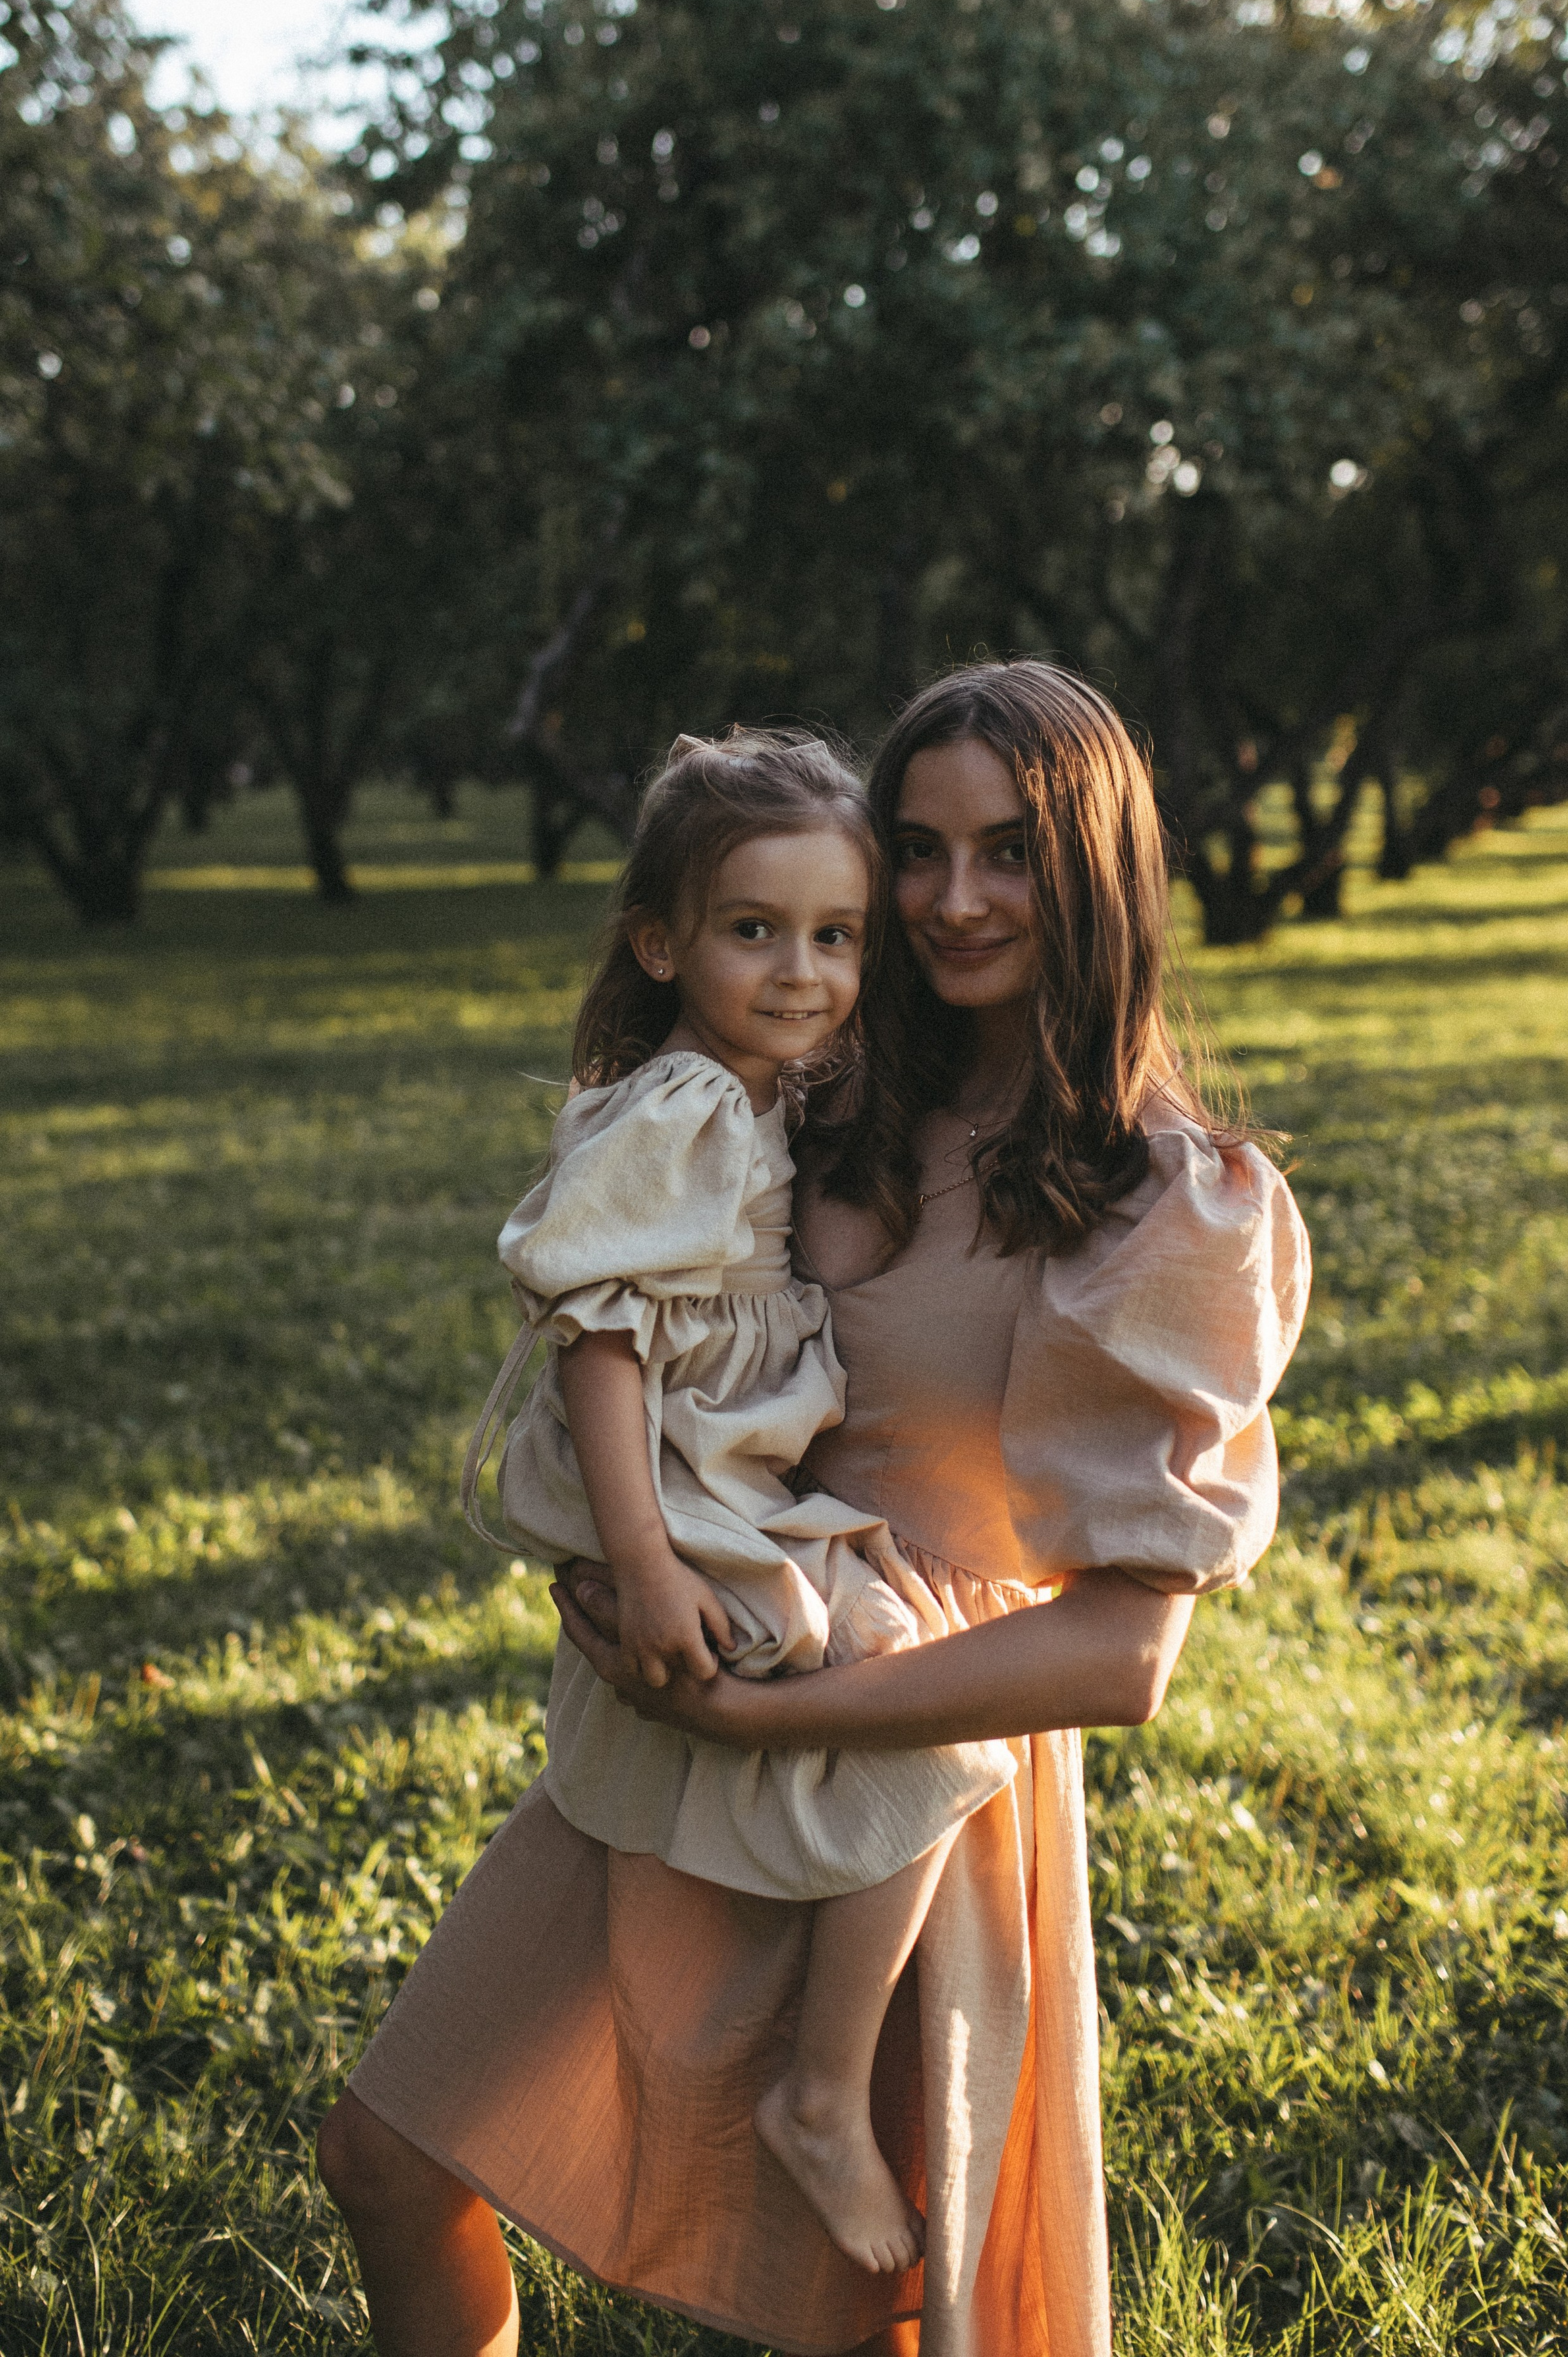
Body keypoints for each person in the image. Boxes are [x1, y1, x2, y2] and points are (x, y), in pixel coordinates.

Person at [318, 660, 1311, 2357]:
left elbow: (1126, 1651)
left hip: (905, 1755)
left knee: (841, 2314)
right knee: (391, 2155)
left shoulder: (1168, 1196)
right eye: (912, 852)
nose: (950, 899)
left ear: (1097, 869)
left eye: (1008, 852)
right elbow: (648, 1324)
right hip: (697, 1682)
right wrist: (626, 1551)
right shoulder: (829, 1080)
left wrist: (790, 1711)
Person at [458, 728, 1017, 2275]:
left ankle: (815, 2064)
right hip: (680, 1483)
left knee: (907, 1686)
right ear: (660, 941)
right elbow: (604, 1334)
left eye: (836, 935)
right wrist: (641, 1558)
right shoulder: (685, 1107)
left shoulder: (760, 1091)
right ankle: (821, 2098)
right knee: (933, 1720)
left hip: (716, 1470)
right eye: (753, 930)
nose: (803, 970)